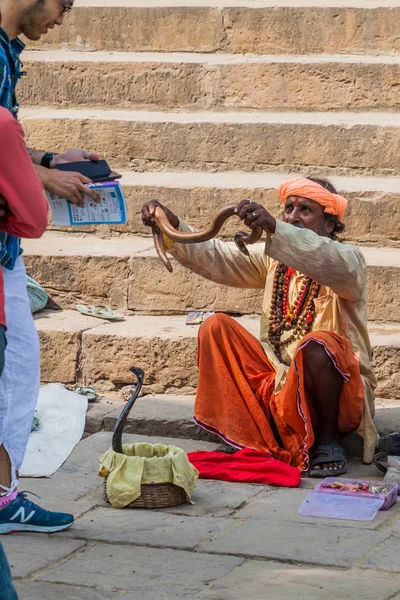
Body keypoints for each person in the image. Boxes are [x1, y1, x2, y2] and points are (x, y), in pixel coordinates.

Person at [142, 177, 378, 476]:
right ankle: (246, 433)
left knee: (319, 344)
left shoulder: (349, 262)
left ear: (329, 224)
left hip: (341, 398)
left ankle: (329, 440)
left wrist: (278, 229)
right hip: (279, 386)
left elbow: (326, 259)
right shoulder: (275, 262)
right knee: (216, 327)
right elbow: (218, 258)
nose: (293, 216)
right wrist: (172, 223)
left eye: (305, 210)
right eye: (288, 208)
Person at [0, 0, 99, 532]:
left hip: (6, 249)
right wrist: (40, 181)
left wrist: (43, 162)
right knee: (14, 370)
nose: (62, 19)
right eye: (64, 4)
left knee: (15, 365)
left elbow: (4, 140)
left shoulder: (6, 51)